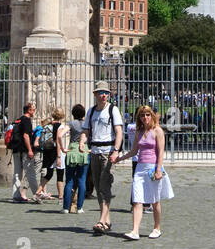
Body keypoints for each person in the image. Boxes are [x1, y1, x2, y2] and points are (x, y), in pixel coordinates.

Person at [114, 105, 172, 240]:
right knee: (137, 200)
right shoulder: (139, 131)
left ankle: (157, 227)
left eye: (147, 114)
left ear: (151, 115)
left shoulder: (158, 131)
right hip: (140, 168)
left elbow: (161, 152)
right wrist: (120, 158)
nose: (145, 118)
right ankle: (135, 231)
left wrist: (159, 169)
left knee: (154, 200)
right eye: (142, 115)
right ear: (139, 118)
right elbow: (134, 151)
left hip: (152, 168)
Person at [87, 83, 124, 234]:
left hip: (108, 152)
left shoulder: (112, 110)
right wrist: (83, 141)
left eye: (106, 93)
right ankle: (106, 221)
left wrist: (116, 150)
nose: (104, 95)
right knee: (97, 186)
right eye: (101, 92)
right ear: (95, 94)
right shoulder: (90, 111)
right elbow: (85, 130)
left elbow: (119, 132)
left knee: (104, 185)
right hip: (94, 151)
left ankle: (102, 220)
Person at [61, 104, 89, 214]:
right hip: (83, 151)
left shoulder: (71, 123)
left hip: (72, 150)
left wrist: (62, 148)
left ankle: (66, 208)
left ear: (73, 114)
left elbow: (60, 135)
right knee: (82, 180)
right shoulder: (87, 125)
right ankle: (80, 207)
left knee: (69, 180)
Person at [9, 102, 39, 203]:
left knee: (17, 173)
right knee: (30, 172)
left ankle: (16, 196)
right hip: (24, 150)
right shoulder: (26, 120)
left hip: (16, 149)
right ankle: (37, 194)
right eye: (33, 109)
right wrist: (30, 150)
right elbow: (26, 136)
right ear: (29, 110)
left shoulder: (19, 120)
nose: (34, 111)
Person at [36, 107, 64, 203]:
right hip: (56, 152)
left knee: (49, 174)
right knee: (60, 175)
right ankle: (61, 198)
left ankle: (37, 193)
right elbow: (58, 142)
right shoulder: (60, 126)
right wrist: (59, 156)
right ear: (62, 116)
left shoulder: (48, 125)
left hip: (48, 151)